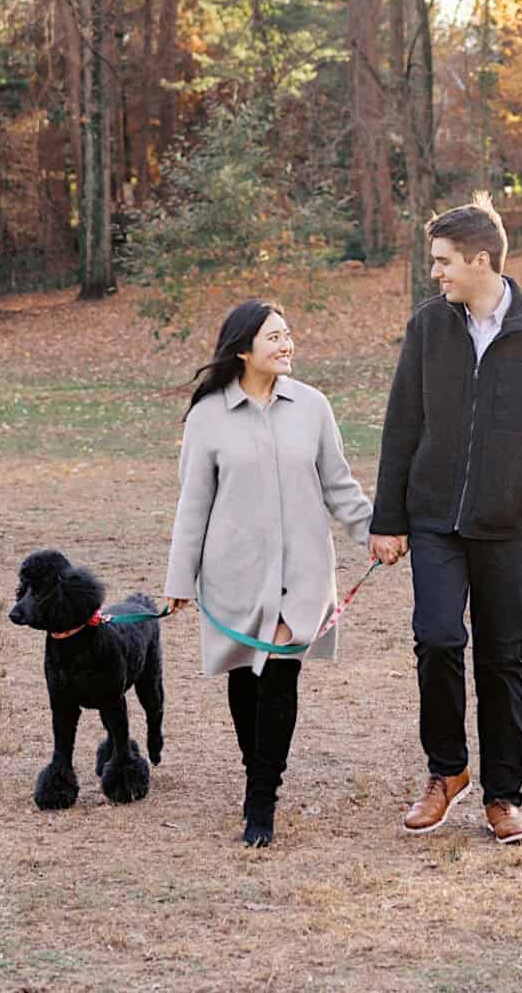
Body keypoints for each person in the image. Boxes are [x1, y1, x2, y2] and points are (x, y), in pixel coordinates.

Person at [368, 195, 522, 844]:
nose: (435, 273)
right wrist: (388, 519)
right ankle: (447, 771)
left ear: (481, 259)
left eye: (443, 262)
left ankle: (503, 795)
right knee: (437, 637)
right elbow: (401, 427)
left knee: (503, 658)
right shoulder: (427, 329)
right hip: (435, 519)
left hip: (508, 525)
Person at [164, 300, 373, 847]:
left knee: (279, 669)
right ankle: (256, 772)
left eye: (288, 335)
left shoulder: (312, 406)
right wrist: (179, 582)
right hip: (233, 571)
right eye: (274, 337)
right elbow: (193, 504)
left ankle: (261, 799)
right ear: (242, 349)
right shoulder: (208, 415)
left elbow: (338, 483)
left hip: (303, 570)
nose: (286, 345)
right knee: (244, 674)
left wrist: (376, 533)